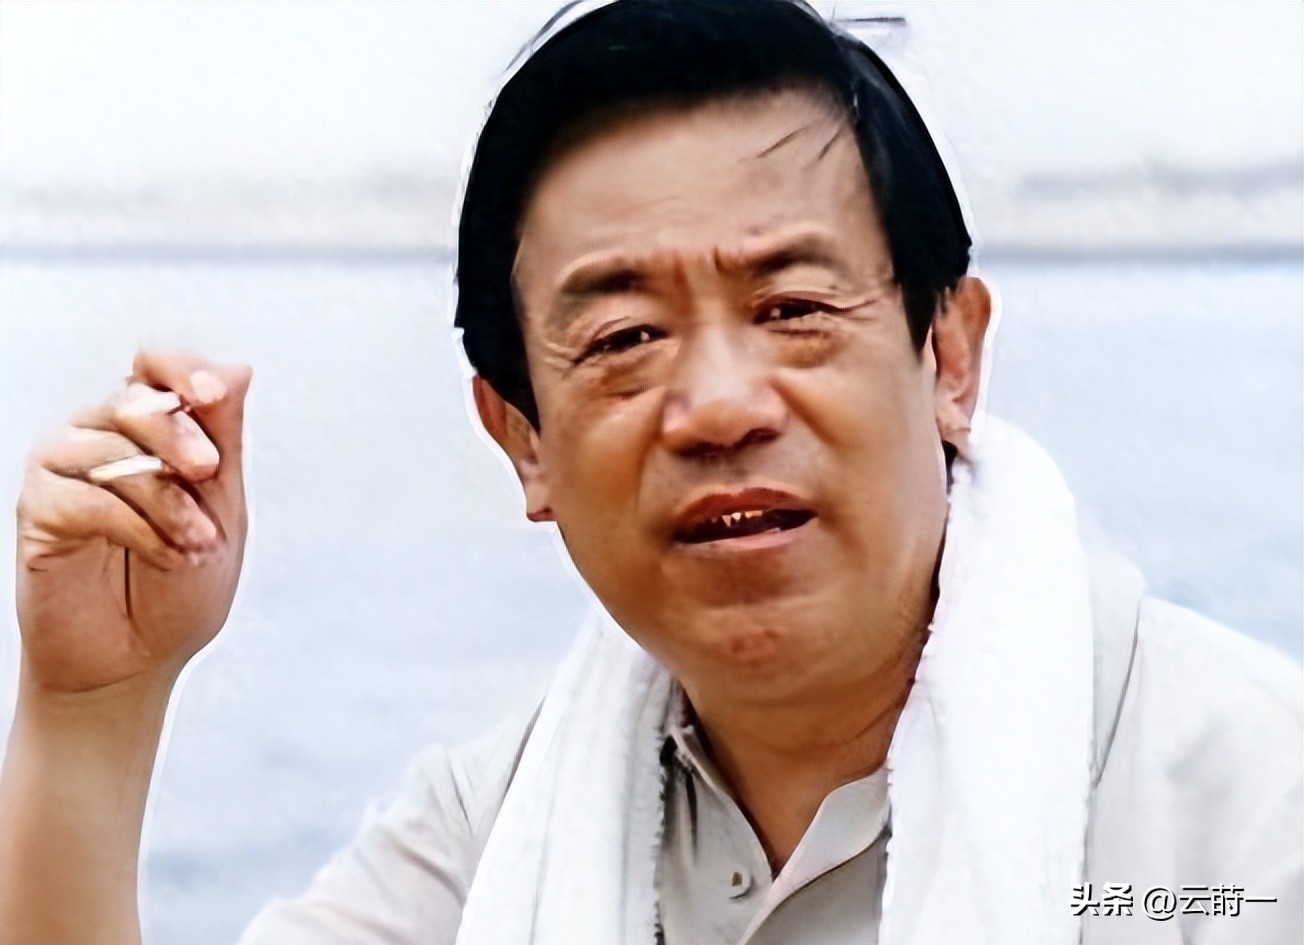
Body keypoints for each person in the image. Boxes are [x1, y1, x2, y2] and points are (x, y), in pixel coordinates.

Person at [1, 2, 1299, 944]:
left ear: (949, 356)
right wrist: (93, 705)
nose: (720, 406)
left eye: (792, 307)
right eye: (624, 338)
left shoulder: (1246, 808)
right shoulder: (505, 830)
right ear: (522, 437)